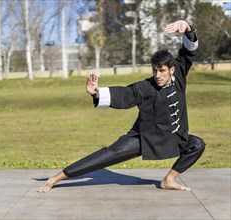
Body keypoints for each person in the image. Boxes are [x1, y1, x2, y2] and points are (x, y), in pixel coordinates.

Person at [37, 20, 205, 193]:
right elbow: (126, 95)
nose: (157, 75)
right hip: (145, 137)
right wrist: (96, 93)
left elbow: (189, 52)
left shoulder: (179, 72)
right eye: (154, 70)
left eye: (161, 70)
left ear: (172, 70)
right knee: (108, 155)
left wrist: (187, 27)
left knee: (197, 144)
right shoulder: (146, 87)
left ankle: (169, 180)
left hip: (173, 136)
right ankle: (56, 178)